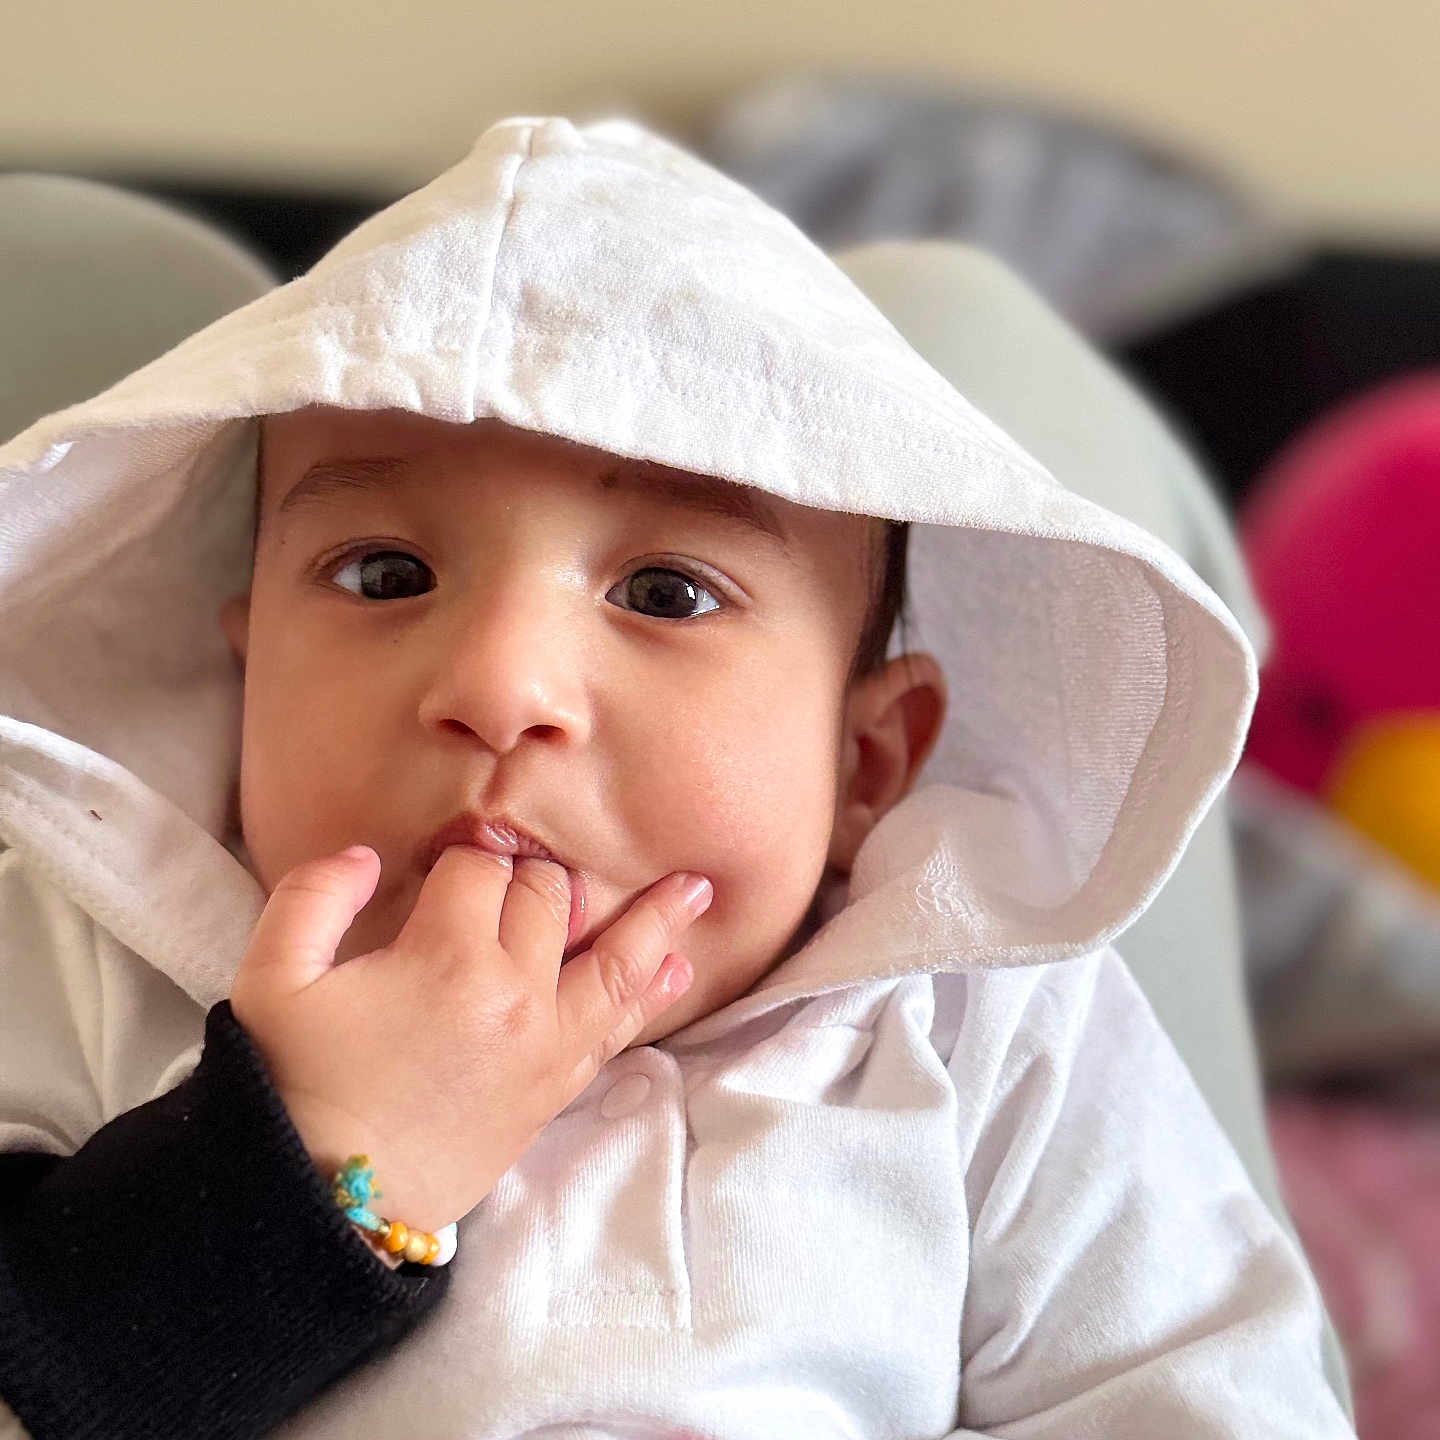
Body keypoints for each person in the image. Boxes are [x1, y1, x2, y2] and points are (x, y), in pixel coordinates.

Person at [0, 116, 1353, 1438]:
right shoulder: (83, 948)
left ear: (867, 763)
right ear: (246, 683)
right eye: (384, 574)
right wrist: (320, 1163)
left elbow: (1212, 1394)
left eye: (665, 593)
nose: (500, 689)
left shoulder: (976, 1020)